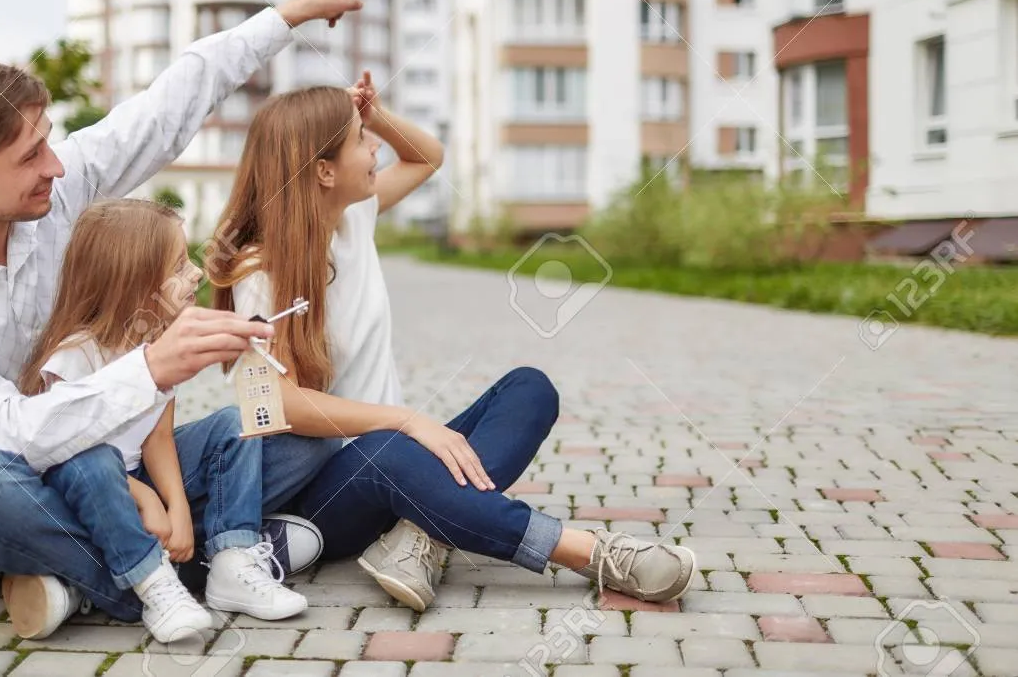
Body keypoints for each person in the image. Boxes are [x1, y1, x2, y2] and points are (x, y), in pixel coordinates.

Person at [0, 0, 371, 639]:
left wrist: (288, 14)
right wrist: (151, 370)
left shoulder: (51, 196)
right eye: (30, 157)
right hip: (7, 493)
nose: (56, 166)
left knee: (286, 437)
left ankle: (91, 574)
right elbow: (2, 435)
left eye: (47, 142)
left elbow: (163, 110)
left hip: (111, 472)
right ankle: (170, 574)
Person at [207, 73, 698, 612]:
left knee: (529, 390)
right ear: (324, 171)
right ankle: (595, 554)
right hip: (325, 497)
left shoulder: (352, 216)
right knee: (389, 451)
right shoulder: (257, 270)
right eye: (359, 141)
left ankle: (420, 537)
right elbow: (270, 406)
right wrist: (405, 419)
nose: (374, 148)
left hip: (392, 453)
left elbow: (425, 158)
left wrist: (373, 114)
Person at [11, 198, 307, 641]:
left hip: (138, 474)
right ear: (133, 283)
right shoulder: (77, 355)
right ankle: (147, 583)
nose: (196, 274)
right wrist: (150, 501)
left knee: (232, 423)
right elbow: (65, 454)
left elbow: (159, 438)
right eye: (178, 265)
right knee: (90, 465)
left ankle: (233, 558)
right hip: (89, 485)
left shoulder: (160, 343)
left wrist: (179, 510)